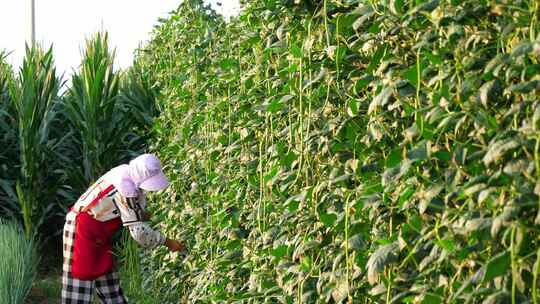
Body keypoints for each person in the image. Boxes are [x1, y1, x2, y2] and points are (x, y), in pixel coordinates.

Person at [61, 153, 185, 303]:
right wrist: (168, 242)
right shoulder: (124, 186)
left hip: (98, 232)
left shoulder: (126, 172)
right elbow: (140, 234)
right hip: (80, 230)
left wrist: (146, 215)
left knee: (107, 276)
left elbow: (127, 210)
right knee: (79, 280)